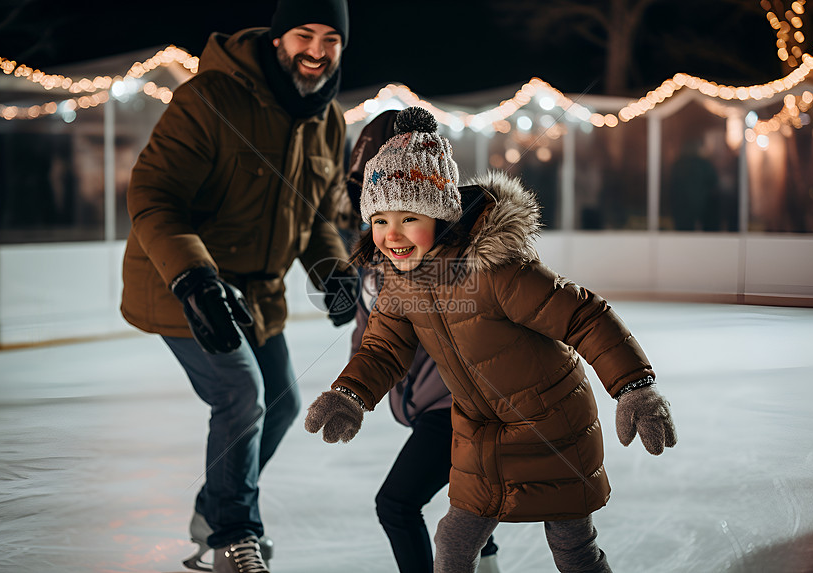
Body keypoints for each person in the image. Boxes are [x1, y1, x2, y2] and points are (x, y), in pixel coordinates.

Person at [306, 107, 678, 573]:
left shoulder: (496, 271)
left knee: (572, 548)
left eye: (408, 217)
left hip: (552, 423)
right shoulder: (399, 283)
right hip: (479, 431)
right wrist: (349, 395)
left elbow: (584, 316)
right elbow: (382, 348)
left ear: (441, 214)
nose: (391, 235)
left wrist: (634, 387)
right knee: (454, 543)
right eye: (379, 220)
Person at [120, 0, 358, 571]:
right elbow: (153, 196)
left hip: (258, 294)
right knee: (240, 396)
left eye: (331, 39)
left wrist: (331, 269)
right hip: (182, 283)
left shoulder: (328, 120)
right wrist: (194, 279)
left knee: (280, 403)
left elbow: (317, 216)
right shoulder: (210, 98)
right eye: (305, 35)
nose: (317, 52)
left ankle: (212, 512)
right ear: (279, 38)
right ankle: (232, 535)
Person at [344, 110, 500, 573]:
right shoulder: (380, 251)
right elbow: (371, 334)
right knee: (464, 499)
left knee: (396, 504)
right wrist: (355, 386)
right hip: (423, 405)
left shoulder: (451, 253)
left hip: (457, 406)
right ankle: (486, 563)